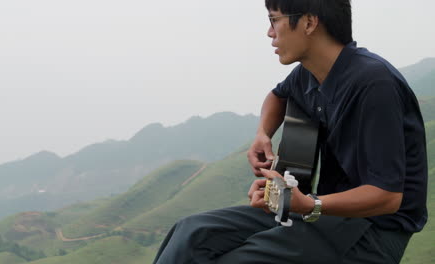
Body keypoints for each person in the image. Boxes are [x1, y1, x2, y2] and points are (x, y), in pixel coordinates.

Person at [152, 0, 428, 263]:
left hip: (373, 231)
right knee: (192, 232)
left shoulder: (373, 84)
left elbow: (387, 197)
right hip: (322, 214)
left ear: (309, 22)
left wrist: (309, 205)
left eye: (275, 20)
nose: (269, 32)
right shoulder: (312, 72)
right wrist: (263, 133)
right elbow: (278, 96)